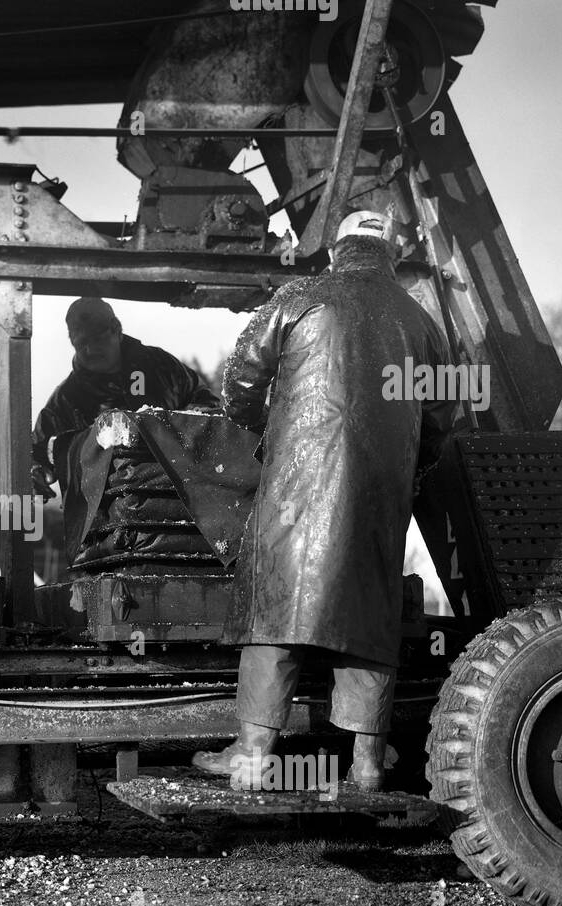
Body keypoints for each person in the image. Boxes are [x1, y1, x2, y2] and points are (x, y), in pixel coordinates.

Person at [193, 211, 459, 791]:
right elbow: (441, 417)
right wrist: (411, 461)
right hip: (379, 494)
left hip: (296, 485)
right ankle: (366, 765)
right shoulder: (423, 324)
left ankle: (253, 758)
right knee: (368, 616)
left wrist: (272, 427)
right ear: (389, 255)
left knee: (277, 612)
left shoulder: (299, 297)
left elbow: (240, 380)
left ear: (337, 251)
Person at [31, 297, 219, 496]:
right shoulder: (66, 399)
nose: (91, 350)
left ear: (116, 329)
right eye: (82, 343)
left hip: (175, 494)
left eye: (97, 339)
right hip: (107, 507)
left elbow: (206, 405)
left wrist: (190, 421)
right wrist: (36, 471)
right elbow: (39, 453)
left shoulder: (160, 367)